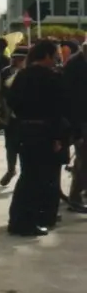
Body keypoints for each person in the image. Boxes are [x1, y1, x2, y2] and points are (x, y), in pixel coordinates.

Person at [7, 40, 70, 236]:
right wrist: (59, 137)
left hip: (24, 131)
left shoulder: (21, 75)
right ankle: (26, 222)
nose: (56, 60)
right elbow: (59, 110)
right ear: (47, 56)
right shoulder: (51, 78)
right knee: (37, 180)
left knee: (27, 177)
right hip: (44, 133)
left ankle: (19, 219)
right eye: (55, 55)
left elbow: (12, 102)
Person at [0, 48, 27, 186]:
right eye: (16, 58)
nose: (18, 61)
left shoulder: (31, 73)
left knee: (25, 149)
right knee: (10, 147)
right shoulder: (5, 72)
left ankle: (25, 175)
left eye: (21, 58)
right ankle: (11, 170)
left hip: (27, 119)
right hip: (10, 117)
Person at [62, 40, 87, 212]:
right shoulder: (74, 66)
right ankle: (75, 196)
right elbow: (70, 97)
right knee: (84, 159)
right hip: (79, 119)